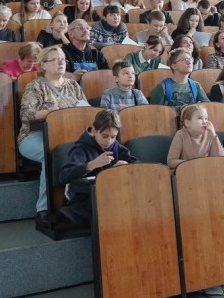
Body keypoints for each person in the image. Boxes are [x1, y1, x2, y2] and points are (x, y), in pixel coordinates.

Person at [19, 46, 88, 222]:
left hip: (68, 136)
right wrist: (49, 113)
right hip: (34, 136)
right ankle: (44, 208)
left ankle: (79, 205)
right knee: (52, 155)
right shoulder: (35, 86)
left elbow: (85, 110)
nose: (61, 62)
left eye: (63, 59)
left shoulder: (73, 85)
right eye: (55, 59)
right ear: (43, 65)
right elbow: (26, 115)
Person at [58, 109, 137, 225]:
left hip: (111, 195)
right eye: (105, 136)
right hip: (85, 199)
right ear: (94, 130)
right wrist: (92, 164)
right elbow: (64, 176)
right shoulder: (81, 149)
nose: (109, 141)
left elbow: (136, 163)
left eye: (113, 137)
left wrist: (126, 167)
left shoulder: (115, 146)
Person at [167, 104, 224, 171]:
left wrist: (214, 136)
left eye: (206, 118)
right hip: (188, 173)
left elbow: (220, 160)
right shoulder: (180, 135)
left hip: (207, 172)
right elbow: (171, 162)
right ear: (187, 123)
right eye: (200, 118)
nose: (204, 122)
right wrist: (194, 164)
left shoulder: (210, 134)